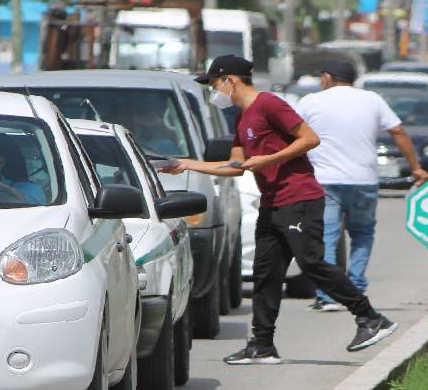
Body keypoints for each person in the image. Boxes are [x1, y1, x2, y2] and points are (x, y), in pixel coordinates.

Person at [167, 54, 398, 364]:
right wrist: (186, 164)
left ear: (230, 81)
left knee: (312, 263)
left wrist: (268, 160)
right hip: (272, 202)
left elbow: (310, 139)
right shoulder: (242, 118)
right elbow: (236, 166)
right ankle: (262, 344)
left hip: (299, 198)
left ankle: (371, 318)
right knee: (266, 273)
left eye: (213, 84)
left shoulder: (269, 105)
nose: (213, 91)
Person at [295, 60, 428, 311]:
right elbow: (398, 132)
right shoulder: (372, 100)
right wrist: (415, 167)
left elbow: (290, 134)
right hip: (363, 180)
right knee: (362, 234)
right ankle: (354, 286)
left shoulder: (310, 102)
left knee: (326, 237)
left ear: (326, 77)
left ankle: (329, 295)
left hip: (324, 181)